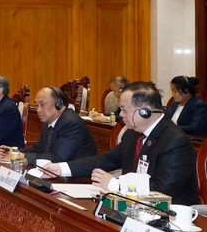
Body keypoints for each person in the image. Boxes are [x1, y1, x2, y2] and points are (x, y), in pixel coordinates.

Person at [42, 81, 199, 205]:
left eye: (124, 110)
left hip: (171, 216)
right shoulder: (132, 134)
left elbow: (162, 190)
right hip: (131, 206)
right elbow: (107, 159)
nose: (121, 115)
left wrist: (116, 185)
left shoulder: (175, 141)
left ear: (145, 111)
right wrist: (61, 168)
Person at [17, 87, 96, 164]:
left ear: (58, 104)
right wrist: (15, 152)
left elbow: (58, 158)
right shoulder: (49, 120)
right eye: (37, 105)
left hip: (80, 174)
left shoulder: (70, 123)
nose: (38, 110)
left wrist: (22, 156)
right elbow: (38, 148)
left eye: (42, 104)